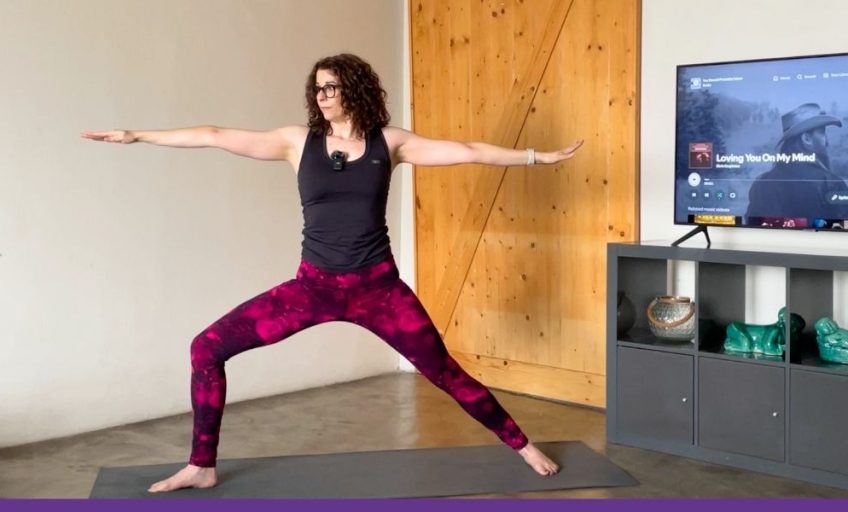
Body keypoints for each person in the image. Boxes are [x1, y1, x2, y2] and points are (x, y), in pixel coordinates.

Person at [82, 53, 583, 493]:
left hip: (379, 291)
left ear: (354, 89)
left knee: (444, 371)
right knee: (205, 348)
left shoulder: (391, 142)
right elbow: (214, 136)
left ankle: (522, 445)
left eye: (331, 87)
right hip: (312, 288)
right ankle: (201, 465)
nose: (321, 96)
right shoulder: (296, 142)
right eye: (317, 88)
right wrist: (138, 135)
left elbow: (468, 151)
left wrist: (538, 157)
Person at [745, 103, 847, 224]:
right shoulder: (831, 184)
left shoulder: (761, 183)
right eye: (822, 133)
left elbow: (752, 225)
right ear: (807, 139)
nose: (827, 141)